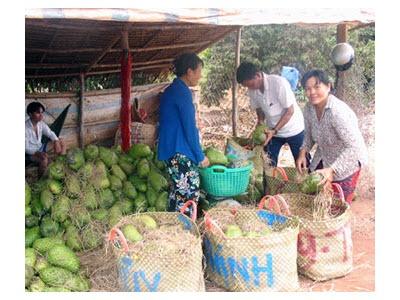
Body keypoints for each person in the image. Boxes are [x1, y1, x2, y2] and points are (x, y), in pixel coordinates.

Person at [296, 69, 368, 204]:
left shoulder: (337, 112)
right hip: (324, 156)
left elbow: (354, 147)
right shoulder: (309, 108)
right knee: (316, 199)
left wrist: (332, 170)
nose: (312, 93)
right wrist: (302, 152)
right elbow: (309, 135)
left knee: (338, 207)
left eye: (317, 87)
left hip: (347, 162)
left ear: (328, 86)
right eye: (307, 89)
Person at [157, 52, 210, 218]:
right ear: (189, 71)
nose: (200, 76)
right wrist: (200, 156)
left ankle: (172, 226)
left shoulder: (172, 90)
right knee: (190, 192)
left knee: (177, 192)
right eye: (199, 71)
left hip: (170, 149)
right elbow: (190, 128)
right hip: (179, 151)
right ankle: (184, 230)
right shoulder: (182, 92)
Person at [236, 62, 306, 167]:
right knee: (268, 163)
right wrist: (260, 122)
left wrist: (274, 130)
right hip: (272, 132)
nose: (250, 88)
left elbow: (290, 111)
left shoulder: (279, 83)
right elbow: (258, 108)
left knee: (301, 163)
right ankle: (270, 182)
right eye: (247, 86)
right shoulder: (252, 90)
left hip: (294, 129)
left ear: (258, 75)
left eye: (251, 85)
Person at [25, 101, 66, 177]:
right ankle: (41, 180)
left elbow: (50, 133)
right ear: (30, 114)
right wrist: (37, 153)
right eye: (38, 113)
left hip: (41, 148)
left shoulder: (40, 124)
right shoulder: (25, 128)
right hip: (30, 153)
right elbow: (26, 148)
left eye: (42, 113)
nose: (41, 116)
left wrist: (56, 141)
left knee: (61, 141)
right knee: (44, 160)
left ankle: (62, 163)